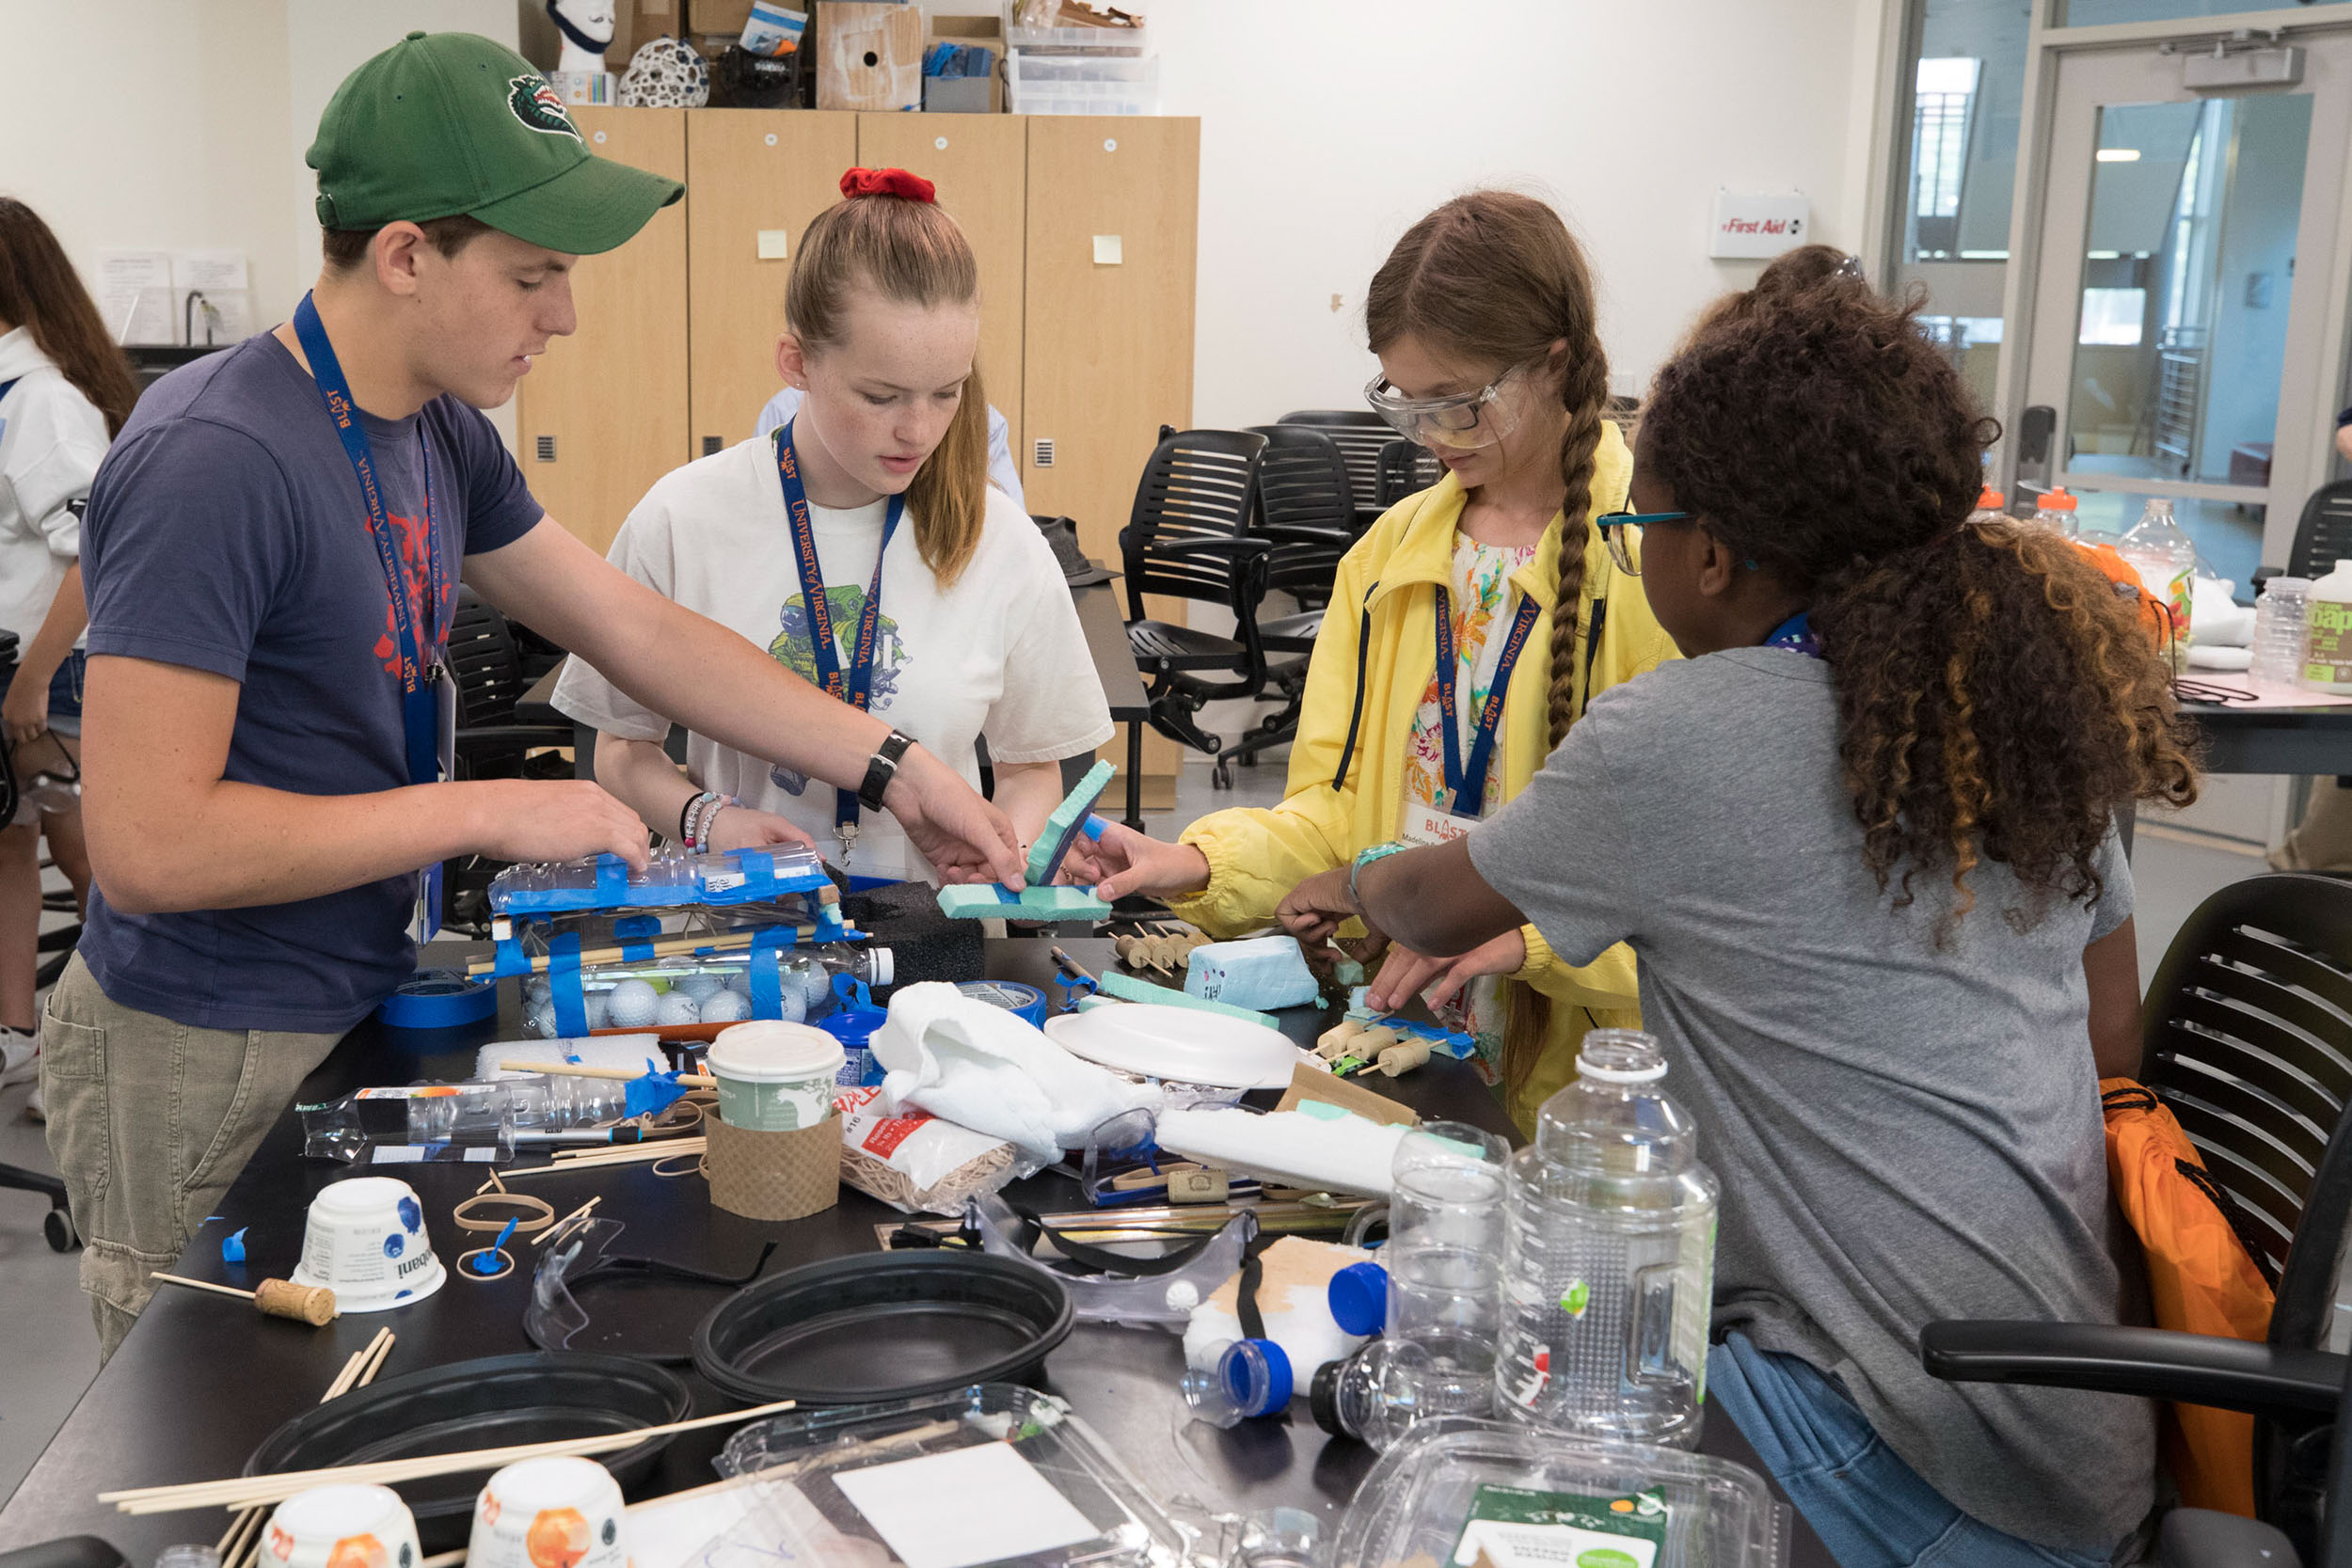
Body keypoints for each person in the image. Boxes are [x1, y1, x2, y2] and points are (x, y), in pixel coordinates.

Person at [52, 33, 1025, 1358]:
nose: (561, 315)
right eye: (534, 275)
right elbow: (149, 844)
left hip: (353, 990)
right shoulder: (215, 458)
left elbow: (633, 628)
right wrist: (489, 806)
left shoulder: (432, 430)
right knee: (212, 1407)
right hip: (207, 1040)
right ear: (406, 255)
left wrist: (895, 762)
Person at [1279, 279, 2197, 1562]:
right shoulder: (2016, 715)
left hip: (1890, 1436)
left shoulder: (1692, 727)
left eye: (1637, 524)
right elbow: (2111, 1040)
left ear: (1708, 555)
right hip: (2076, 1438)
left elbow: (1434, 896)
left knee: (1415, 1449)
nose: (1633, 549)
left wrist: (1348, 878)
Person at [1068, 191, 1677, 1131]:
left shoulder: (1657, 563)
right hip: (1408, 1047)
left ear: (1553, 364)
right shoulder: (1386, 559)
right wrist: (1193, 861)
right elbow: (1334, 822)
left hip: (1590, 1088)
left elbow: (1695, 894)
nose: (1432, 439)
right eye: (1408, 405)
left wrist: (1520, 936)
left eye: (1460, 405)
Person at [557, 167, 1110, 879]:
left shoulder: (998, 541)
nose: (917, 429)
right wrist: (708, 820)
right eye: (880, 395)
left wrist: (1004, 853)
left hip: (932, 940)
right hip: (746, 927)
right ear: (797, 364)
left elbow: (1033, 765)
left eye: (947, 393)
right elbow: (621, 751)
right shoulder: (682, 517)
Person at [0, 198, 129, 1121]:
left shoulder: (40, 399)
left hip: (49, 674)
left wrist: (34, 678)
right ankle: (20, 1035)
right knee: (12, 848)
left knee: (103, 877)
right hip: (20, 670)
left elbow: (97, 550)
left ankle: (105, 1048)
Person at [756, 385, 1024, 512]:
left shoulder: (985, 424)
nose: (917, 436)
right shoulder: (785, 412)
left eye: (945, 393)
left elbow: (1009, 541)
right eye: (879, 398)